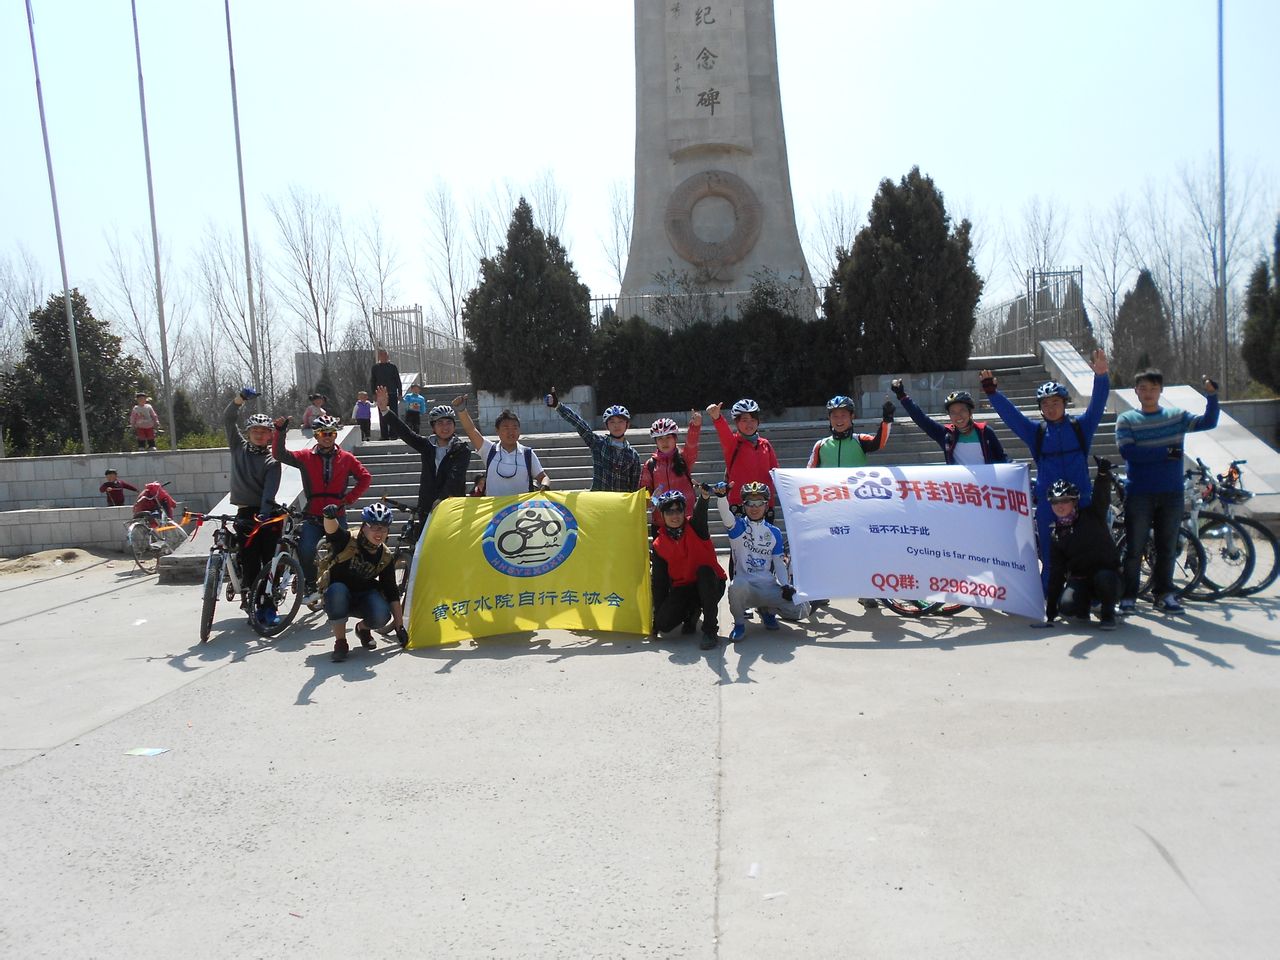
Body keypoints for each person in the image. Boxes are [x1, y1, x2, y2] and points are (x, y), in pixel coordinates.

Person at [980, 350, 1110, 589]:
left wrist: (1101, 377)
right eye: (1046, 404)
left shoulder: (1081, 427)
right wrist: (993, 394)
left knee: (1085, 551)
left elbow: (1098, 406)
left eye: (1055, 403)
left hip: (1081, 501)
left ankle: (1087, 594)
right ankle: (1047, 595)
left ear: (1064, 404)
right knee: (1050, 557)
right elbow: (1014, 418)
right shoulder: (1036, 433)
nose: (1051, 408)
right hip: (1049, 503)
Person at [1117, 371, 1220, 614]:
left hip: (1171, 493)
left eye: (1153, 388)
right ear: (1136, 391)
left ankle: (1164, 594)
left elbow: (1208, 422)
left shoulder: (1176, 416)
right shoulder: (1127, 419)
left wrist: (1212, 397)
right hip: (1139, 493)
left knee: (1167, 547)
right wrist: (1167, 453)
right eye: (1143, 388)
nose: (1148, 392)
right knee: (1134, 548)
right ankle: (1128, 596)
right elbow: (1129, 453)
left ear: (1161, 390)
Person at [272, 413, 372, 602]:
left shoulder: (347, 458)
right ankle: (310, 585)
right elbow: (279, 454)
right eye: (323, 434)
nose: (327, 437)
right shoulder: (305, 457)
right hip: (313, 513)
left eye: (331, 434)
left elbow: (365, 477)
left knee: (342, 554)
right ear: (316, 436)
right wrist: (280, 431)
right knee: (306, 548)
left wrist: (348, 499)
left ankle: (342, 589)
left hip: (336, 514)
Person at [715, 481, 810, 641]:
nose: (754, 507)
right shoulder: (738, 526)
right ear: (744, 506)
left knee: (803, 608)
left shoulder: (774, 532)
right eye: (750, 503)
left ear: (766, 506)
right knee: (735, 587)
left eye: (759, 503)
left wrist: (786, 586)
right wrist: (721, 497)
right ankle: (739, 624)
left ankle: (767, 611)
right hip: (746, 588)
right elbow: (725, 514)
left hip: (768, 586)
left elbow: (779, 563)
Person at [1034, 460, 1122, 631]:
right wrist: (1051, 612)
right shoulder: (1056, 534)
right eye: (1055, 501)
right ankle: (1083, 609)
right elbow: (1056, 574)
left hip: (1108, 577)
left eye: (1065, 500)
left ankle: (1108, 614)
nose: (1059, 505)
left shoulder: (1092, 515)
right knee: (1066, 607)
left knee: (1104, 577)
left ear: (1074, 501)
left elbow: (1101, 498)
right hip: (1082, 580)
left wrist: (1103, 476)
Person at [318, 501, 406, 662]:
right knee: (337, 590)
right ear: (364, 526)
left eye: (384, 528)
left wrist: (399, 627)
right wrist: (329, 516)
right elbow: (333, 532)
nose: (379, 532)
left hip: (364, 596)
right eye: (374, 526)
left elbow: (391, 591)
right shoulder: (348, 540)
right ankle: (341, 642)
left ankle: (363, 629)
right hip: (337, 596)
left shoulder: (385, 556)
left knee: (382, 615)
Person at [225, 386, 283, 625]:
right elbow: (228, 418)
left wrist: (264, 515)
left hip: (266, 513)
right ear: (248, 432)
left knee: (270, 560)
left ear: (270, 435)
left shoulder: (272, 461)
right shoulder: (237, 447)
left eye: (264, 431)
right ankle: (249, 598)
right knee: (248, 556)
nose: (259, 435)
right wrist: (240, 400)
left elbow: (269, 493)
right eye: (255, 430)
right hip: (244, 510)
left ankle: (269, 605)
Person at [375, 384, 471, 525]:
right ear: (433, 427)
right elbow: (406, 433)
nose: (445, 427)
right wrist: (384, 410)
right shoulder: (427, 446)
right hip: (427, 508)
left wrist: (441, 500)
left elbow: (455, 477)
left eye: (448, 423)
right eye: (440, 423)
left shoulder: (461, 449)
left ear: (454, 425)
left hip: (452, 508)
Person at [650, 488, 726, 651]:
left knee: (704, 572)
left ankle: (710, 630)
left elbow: (700, 513)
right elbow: (659, 582)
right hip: (684, 588)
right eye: (669, 511)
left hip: (711, 584)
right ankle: (691, 614)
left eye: (679, 510)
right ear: (662, 515)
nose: (675, 515)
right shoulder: (659, 545)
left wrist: (704, 498)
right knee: (664, 624)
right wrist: (657, 617)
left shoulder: (696, 527)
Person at [544, 386, 641, 492]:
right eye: (612, 422)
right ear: (606, 425)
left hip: (620, 505)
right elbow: (579, 424)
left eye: (620, 421)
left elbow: (635, 487)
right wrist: (558, 406)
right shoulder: (598, 444)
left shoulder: (633, 455)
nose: (616, 425)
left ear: (627, 425)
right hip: (598, 502)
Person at [453, 394, 550, 496]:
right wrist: (461, 410)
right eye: (506, 428)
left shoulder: (527, 454)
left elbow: (543, 477)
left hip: (521, 510)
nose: (511, 432)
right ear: (497, 431)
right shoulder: (489, 450)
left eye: (514, 428)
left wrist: (545, 485)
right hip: (495, 510)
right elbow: (471, 430)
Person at [889, 382, 1007, 465]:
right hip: (961, 492)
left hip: (987, 491)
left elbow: (1003, 459)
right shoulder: (946, 435)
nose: (958, 416)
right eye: (953, 412)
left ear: (970, 412)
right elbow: (921, 419)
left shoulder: (986, 432)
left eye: (962, 410)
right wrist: (902, 396)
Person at [707, 398, 779, 512]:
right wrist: (717, 418)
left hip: (764, 503)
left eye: (753, 419)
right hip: (739, 503)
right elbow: (723, 431)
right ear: (736, 422)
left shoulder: (765, 444)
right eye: (744, 420)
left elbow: (776, 473)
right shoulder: (732, 443)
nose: (749, 424)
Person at [640, 413, 701, 527]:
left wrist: (695, 426)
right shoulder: (650, 465)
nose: (664, 442)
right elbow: (645, 490)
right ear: (656, 442)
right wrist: (647, 499)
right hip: (661, 521)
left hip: (686, 518)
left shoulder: (684, 458)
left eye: (668, 437)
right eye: (660, 438)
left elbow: (692, 445)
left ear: (675, 438)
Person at [806, 395, 894, 468]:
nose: (839, 420)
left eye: (843, 415)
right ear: (829, 418)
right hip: (829, 489)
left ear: (852, 416)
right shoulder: (820, 445)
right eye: (835, 416)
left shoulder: (860, 440)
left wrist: (887, 420)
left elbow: (879, 443)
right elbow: (808, 473)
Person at [370, 349, 402, 440]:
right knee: (382, 414)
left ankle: (394, 434)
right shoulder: (375, 368)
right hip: (380, 394)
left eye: (385, 355)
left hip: (392, 393)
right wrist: (374, 393)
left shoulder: (392, 367)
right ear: (379, 357)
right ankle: (384, 435)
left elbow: (397, 380)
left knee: (394, 413)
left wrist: (400, 392)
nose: (384, 357)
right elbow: (373, 381)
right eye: (382, 355)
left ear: (388, 356)